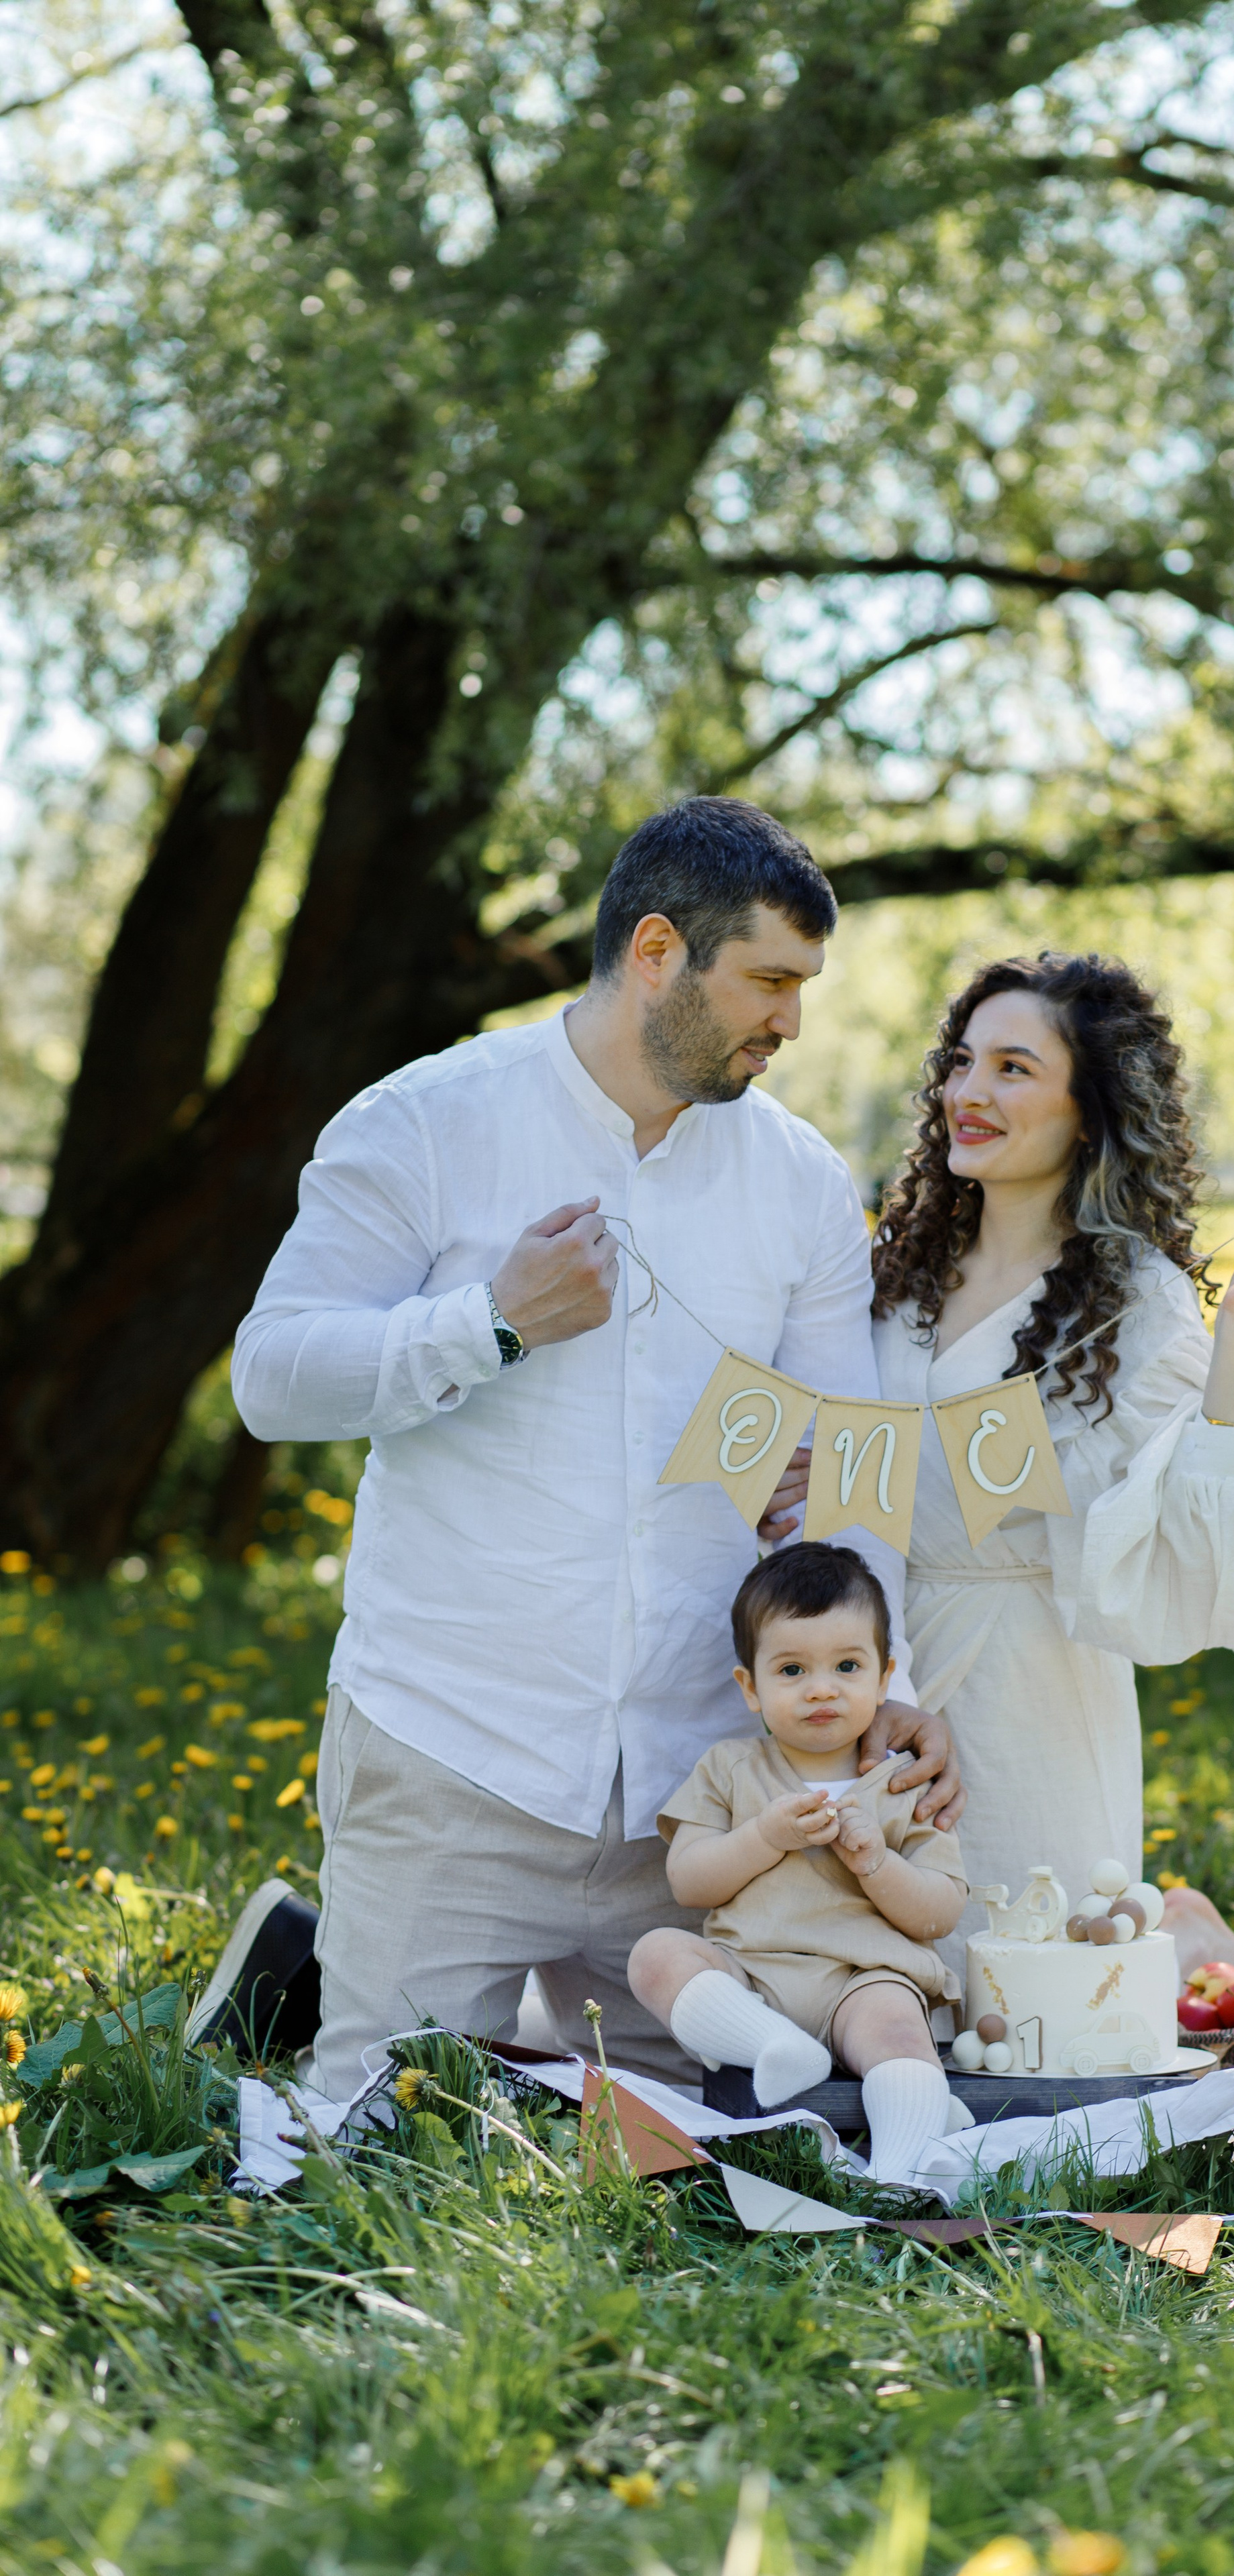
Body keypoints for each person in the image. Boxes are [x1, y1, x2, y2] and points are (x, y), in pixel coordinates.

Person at [215, 798, 960, 2100]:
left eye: (803, 986)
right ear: (659, 952)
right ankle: (306, 1996)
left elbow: (855, 1459)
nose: (792, 1020)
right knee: (373, 2142)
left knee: (715, 2159)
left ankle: (315, 1988)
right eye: (770, 981)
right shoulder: (428, 1120)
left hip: (697, 1809)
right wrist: (490, 1324)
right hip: (456, 1752)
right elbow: (271, 1378)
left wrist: (878, 1669)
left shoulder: (795, 1183)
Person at [762, 951, 1234, 1987]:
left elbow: (1183, 1524)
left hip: (1029, 1675)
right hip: (873, 1658)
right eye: (962, 1062)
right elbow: (846, 1437)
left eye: (1014, 1069)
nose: (969, 1094)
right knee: (864, 1992)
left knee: (1028, 2003)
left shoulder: (1133, 1303)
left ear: (1089, 1111)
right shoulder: (898, 1268)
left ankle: (1181, 1935)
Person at [629, 1542, 967, 2182]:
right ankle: (770, 2046)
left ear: (884, 1677)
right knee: (655, 1956)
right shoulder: (729, 1769)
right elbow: (689, 1881)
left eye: (846, 1666)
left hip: (860, 1977)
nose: (821, 1689)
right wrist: (762, 1836)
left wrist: (876, 1863)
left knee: (899, 2030)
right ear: (750, 1688)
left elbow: (941, 1911)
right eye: (791, 1671)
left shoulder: (904, 1784)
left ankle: (897, 2176)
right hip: (748, 1978)